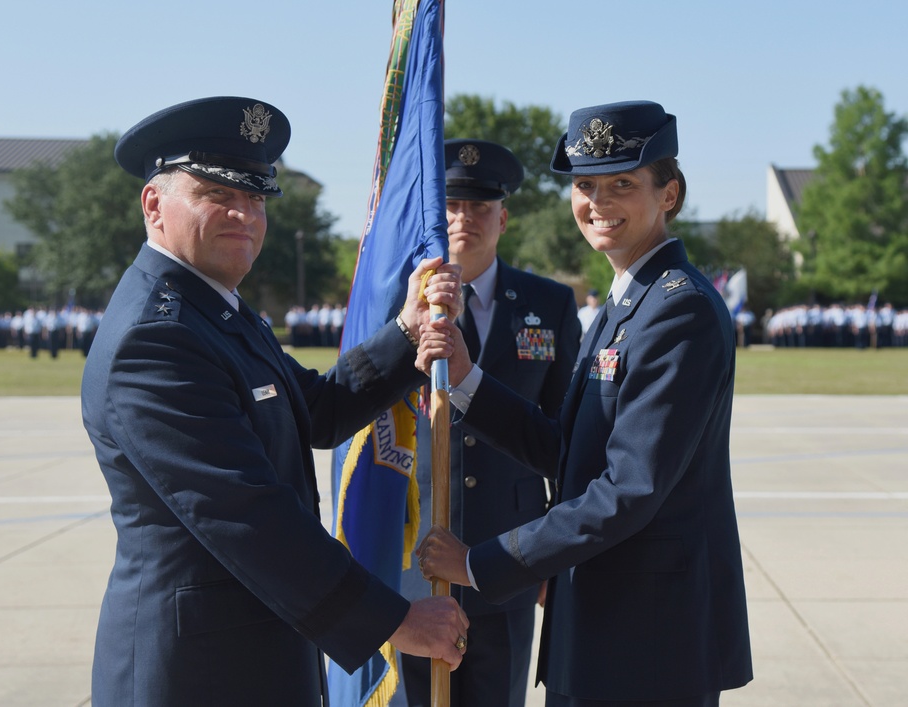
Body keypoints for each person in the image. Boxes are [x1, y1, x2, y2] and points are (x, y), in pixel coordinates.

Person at [81, 96, 469, 706]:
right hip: (197, 672)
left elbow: (316, 408)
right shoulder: (156, 338)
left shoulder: (214, 313)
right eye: (217, 193)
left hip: (253, 648)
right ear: (154, 205)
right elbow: (246, 515)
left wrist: (407, 334)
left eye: (257, 197)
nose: (244, 213)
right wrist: (393, 620)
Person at [415, 101, 753, 706]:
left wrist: (481, 562)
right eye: (585, 184)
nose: (597, 203)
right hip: (603, 624)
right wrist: (467, 379)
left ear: (668, 194)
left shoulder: (679, 308)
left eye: (623, 184)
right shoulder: (628, 303)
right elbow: (570, 452)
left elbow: (630, 486)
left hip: (648, 637)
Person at [397, 139, 580, 707]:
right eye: (451, 205)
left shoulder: (549, 304)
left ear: (503, 217)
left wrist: (553, 549)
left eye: (480, 207)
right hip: (415, 549)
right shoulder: (399, 306)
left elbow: (564, 437)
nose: (464, 219)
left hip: (511, 549)